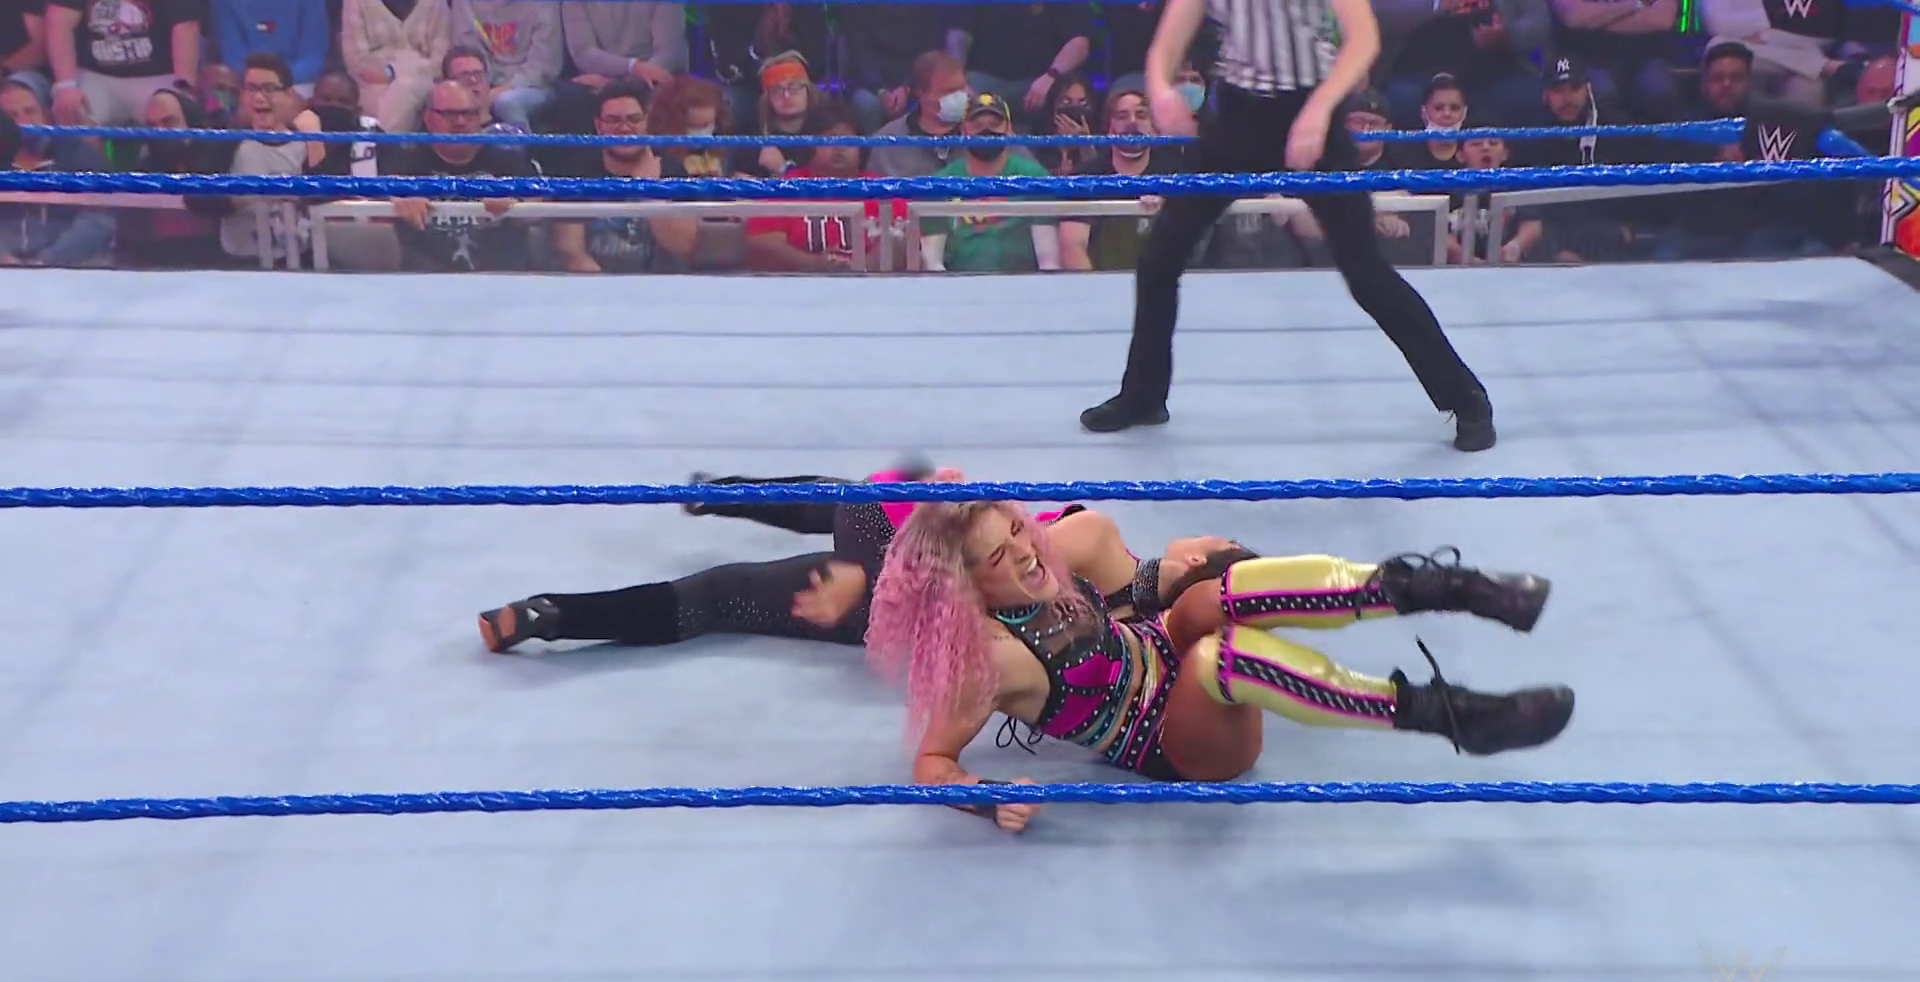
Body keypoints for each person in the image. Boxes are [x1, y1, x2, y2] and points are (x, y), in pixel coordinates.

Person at [866, 501, 1574, 832]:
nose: (1025, 551)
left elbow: (1124, 592)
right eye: (1000, 556)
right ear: (969, 590)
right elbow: (932, 761)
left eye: (1018, 529)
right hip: (1173, 741)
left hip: (1159, 647)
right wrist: (990, 797)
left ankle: (1452, 588)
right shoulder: (988, 660)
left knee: (1215, 594)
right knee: (1218, 657)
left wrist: (1172, 570)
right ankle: (1450, 715)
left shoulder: (1052, 548)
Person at [1078, 0, 1499, 452]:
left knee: (1366, 273)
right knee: (1159, 260)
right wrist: (1161, 89)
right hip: (1237, 116)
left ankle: (1467, 399)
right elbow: (1170, 36)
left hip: (1309, 107)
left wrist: (1319, 109)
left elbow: (1364, 37)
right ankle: (1143, 396)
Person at [477, 464, 1251, 655]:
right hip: (905, 602)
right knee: (721, 594)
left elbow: (980, 561)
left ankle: (722, 494)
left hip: (900, 577)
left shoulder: (1096, 540)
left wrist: (876, 575)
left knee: (736, 582)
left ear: (1194, 556)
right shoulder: (1140, 641)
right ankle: (552, 616)